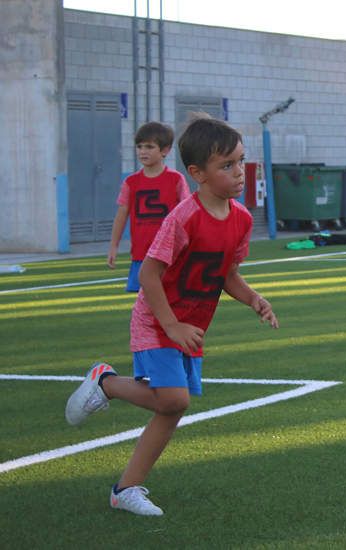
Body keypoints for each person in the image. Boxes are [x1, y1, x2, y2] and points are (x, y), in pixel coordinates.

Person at [64, 116, 279, 516]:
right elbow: (148, 274)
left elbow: (227, 274)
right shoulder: (183, 217)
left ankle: (125, 489)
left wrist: (253, 299)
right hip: (158, 320)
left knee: (172, 406)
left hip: (189, 326)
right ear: (197, 173)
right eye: (226, 166)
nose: (238, 173)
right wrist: (170, 325)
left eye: (240, 161)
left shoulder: (243, 219)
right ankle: (106, 383)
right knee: (174, 399)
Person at [108, 122, 191, 292]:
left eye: (149, 146)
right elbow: (122, 215)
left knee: (170, 299)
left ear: (165, 150)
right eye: (139, 146)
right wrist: (113, 246)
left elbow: (188, 214)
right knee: (144, 305)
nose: (142, 151)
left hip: (170, 255)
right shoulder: (131, 183)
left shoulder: (176, 180)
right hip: (141, 254)